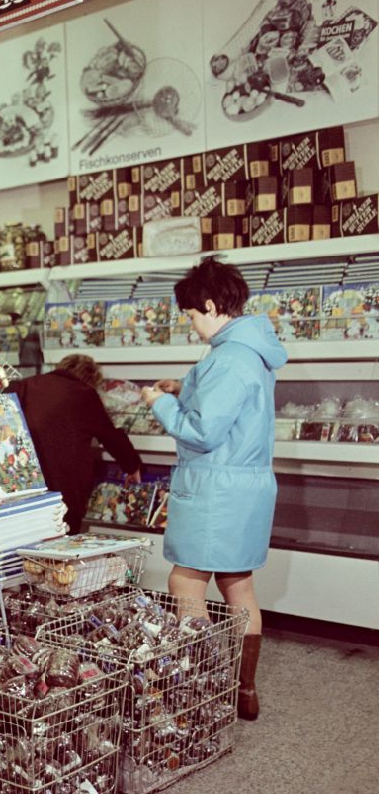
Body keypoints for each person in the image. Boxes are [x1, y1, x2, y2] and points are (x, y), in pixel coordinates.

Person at [140, 257, 287, 721]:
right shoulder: (253, 351)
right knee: (239, 585)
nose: (191, 325)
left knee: (185, 580)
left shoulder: (227, 358)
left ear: (208, 303)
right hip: (247, 486)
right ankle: (244, 692)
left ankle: (202, 688)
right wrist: (183, 387)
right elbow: (232, 406)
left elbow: (203, 433)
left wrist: (160, 403)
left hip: (216, 488)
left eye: (190, 315)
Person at [7, 354, 142, 534]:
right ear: (91, 378)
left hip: (24, 479)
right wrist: (132, 466)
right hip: (65, 487)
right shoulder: (85, 394)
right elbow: (111, 436)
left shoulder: (26, 384)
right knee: (64, 542)